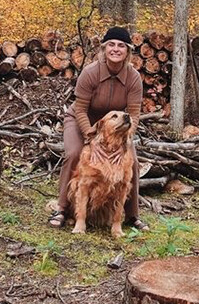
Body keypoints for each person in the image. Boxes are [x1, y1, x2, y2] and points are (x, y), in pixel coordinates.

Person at [48, 26, 149, 231]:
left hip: (115, 125)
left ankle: (132, 215)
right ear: (104, 48)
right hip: (81, 120)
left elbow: (134, 114)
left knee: (133, 162)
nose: (115, 49)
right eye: (111, 44)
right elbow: (81, 109)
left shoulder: (133, 78)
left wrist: (127, 136)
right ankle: (61, 208)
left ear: (128, 51)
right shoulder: (90, 72)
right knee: (74, 153)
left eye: (121, 46)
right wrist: (90, 135)